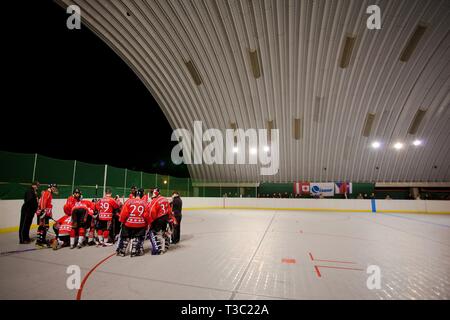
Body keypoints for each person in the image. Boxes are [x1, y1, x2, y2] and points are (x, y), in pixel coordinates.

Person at [117, 188, 150, 257]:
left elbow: (124, 213)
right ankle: (134, 251)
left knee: (125, 237)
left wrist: (122, 221)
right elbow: (146, 215)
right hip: (140, 224)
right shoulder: (145, 203)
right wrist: (147, 223)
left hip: (128, 223)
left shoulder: (128, 201)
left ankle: (122, 251)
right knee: (137, 237)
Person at [147, 188, 173, 255]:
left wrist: (151, 221)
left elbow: (152, 212)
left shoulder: (155, 201)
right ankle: (164, 248)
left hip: (159, 219)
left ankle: (160, 249)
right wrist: (169, 219)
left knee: (157, 234)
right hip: (165, 218)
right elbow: (169, 210)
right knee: (163, 233)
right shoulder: (165, 199)